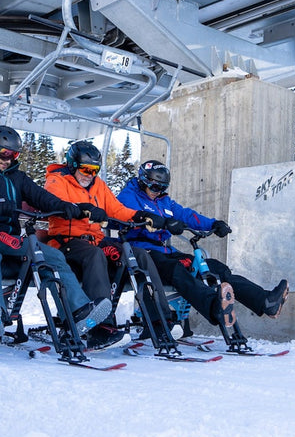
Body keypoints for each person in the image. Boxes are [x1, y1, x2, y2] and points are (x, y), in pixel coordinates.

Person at [0, 125, 110, 341]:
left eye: (14, 154)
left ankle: (77, 312)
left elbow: (41, 197)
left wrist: (71, 208)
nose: (8, 159)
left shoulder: (17, 177)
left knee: (53, 257)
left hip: (7, 237)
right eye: (4, 153)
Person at [44, 141, 200, 347]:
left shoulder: (98, 185)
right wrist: (85, 208)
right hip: (67, 242)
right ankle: (101, 327)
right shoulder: (57, 181)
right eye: (85, 169)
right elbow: (57, 204)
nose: (89, 175)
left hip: (96, 241)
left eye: (94, 170)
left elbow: (117, 210)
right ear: (72, 164)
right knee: (95, 255)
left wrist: (142, 215)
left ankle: (159, 320)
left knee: (138, 255)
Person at [117, 160, 289, 332]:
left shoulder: (164, 201)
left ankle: (266, 301)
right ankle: (215, 308)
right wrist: (163, 222)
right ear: (143, 181)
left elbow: (186, 215)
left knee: (213, 268)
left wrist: (213, 224)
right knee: (176, 269)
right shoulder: (128, 196)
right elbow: (125, 216)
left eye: (162, 188)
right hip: (141, 253)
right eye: (155, 188)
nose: (158, 192)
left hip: (165, 251)